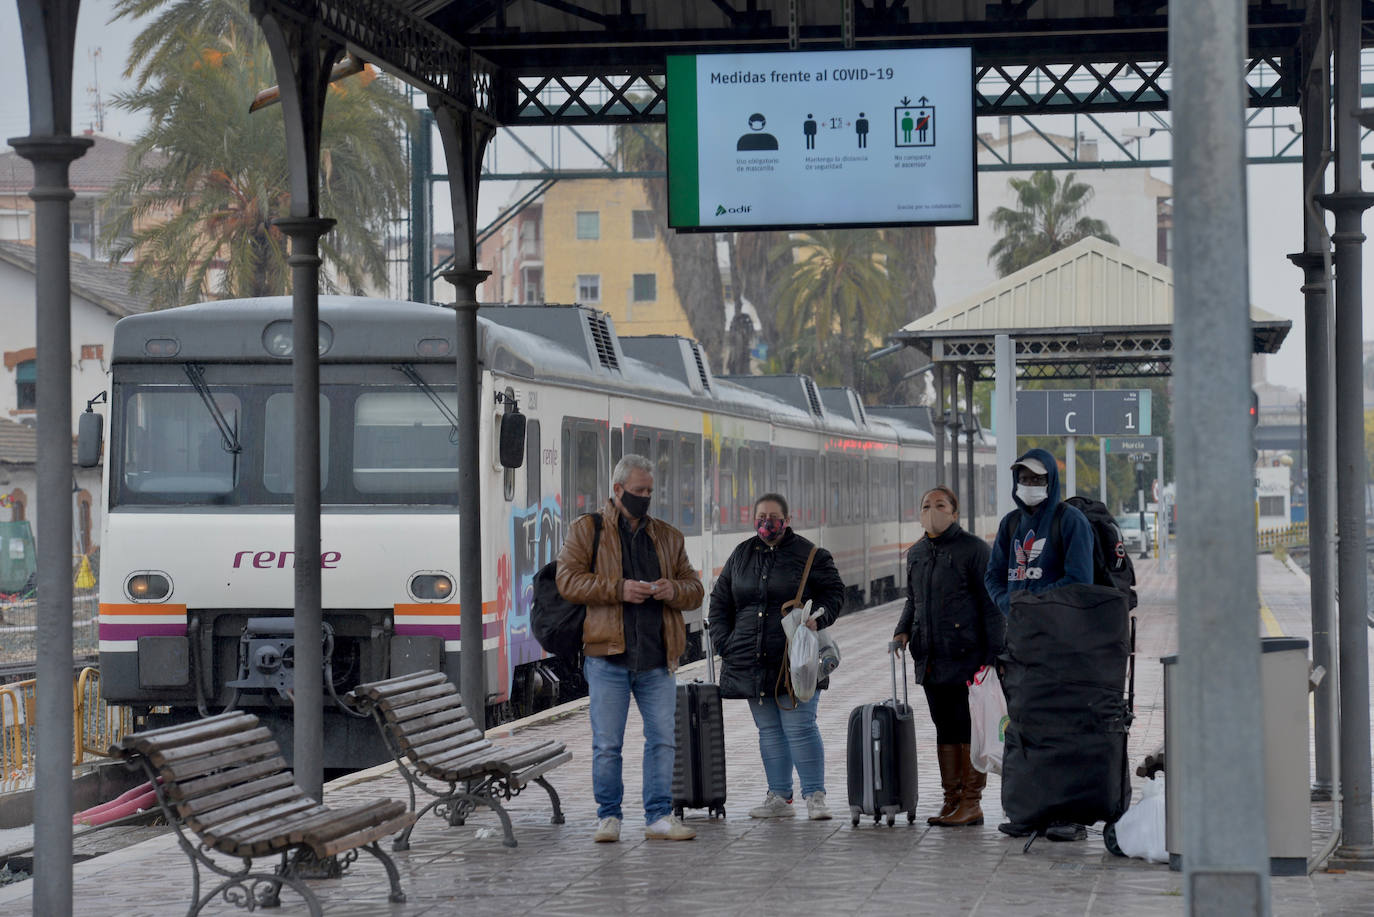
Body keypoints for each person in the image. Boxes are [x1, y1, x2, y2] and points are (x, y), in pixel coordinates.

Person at [556, 454, 705, 843]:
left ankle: (658, 816)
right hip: (607, 656)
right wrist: (618, 589)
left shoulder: (668, 537)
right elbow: (568, 581)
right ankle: (609, 817)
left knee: (662, 740)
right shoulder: (587, 530)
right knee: (608, 744)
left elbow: (695, 589)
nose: (645, 497)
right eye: (639, 491)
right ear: (618, 490)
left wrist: (674, 589)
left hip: (658, 659)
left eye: (650, 491)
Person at [709, 493, 844, 821]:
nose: (766, 523)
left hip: (794, 659)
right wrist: (724, 643)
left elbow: (835, 593)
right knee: (768, 730)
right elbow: (720, 601)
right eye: (760, 516)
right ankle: (779, 796)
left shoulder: (811, 555)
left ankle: (815, 795)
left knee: (800, 727)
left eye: (773, 517)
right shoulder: (741, 554)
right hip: (750, 659)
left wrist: (819, 618)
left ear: (787, 519)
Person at [984, 447, 1095, 840]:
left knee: (1063, 729)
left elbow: (1080, 578)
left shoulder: (1071, 522)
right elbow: (993, 576)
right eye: (1023, 478)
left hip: (1063, 645)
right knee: (1023, 727)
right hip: (1021, 646)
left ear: (1051, 480)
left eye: (1037, 478)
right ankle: (1028, 811)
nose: (1029, 485)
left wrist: (1036, 601)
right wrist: (1009, 604)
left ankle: (1067, 816)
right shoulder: (1011, 523)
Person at [893, 485, 1003, 827]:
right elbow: (913, 600)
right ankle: (951, 798)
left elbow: (991, 606)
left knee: (968, 728)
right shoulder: (917, 553)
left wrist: (992, 656)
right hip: (930, 655)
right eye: (926, 504)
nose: (932, 510)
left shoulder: (973, 550)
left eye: (940, 505)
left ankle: (972, 802)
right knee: (944, 727)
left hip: (967, 656)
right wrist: (902, 630)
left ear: (954, 513)